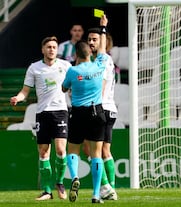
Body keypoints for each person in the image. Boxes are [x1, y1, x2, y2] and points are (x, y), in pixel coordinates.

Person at [10, 36, 71, 201]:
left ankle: (59, 182)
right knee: (44, 152)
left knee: (60, 150)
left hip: (60, 111)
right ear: (43, 49)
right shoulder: (34, 68)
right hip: (43, 113)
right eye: (49, 47)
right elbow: (25, 91)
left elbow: (73, 86)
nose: (52, 49)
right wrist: (18, 97)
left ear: (57, 50)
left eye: (54, 47)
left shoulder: (65, 66)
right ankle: (47, 191)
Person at [62, 14, 108, 204]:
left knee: (73, 150)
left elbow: (64, 88)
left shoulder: (73, 70)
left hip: (78, 113)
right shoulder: (100, 65)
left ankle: (74, 177)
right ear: (89, 52)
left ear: (75, 55)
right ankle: (96, 194)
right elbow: (103, 48)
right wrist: (103, 28)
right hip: (97, 112)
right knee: (97, 155)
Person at [82, 28, 118, 200]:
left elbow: (101, 85)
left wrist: (103, 28)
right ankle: (111, 188)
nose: (91, 42)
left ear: (102, 42)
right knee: (104, 150)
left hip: (100, 108)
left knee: (91, 150)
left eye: (94, 39)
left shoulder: (103, 60)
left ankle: (106, 187)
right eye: (89, 39)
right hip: (109, 108)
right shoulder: (99, 61)